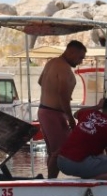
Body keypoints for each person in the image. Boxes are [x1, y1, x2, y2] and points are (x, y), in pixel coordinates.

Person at [37, 40, 88, 179]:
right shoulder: (64, 68)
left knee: (53, 151)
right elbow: (62, 94)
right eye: (80, 57)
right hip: (53, 113)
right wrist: (70, 118)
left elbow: (41, 81)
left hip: (44, 111)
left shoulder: (52, 62)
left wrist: (51, 93)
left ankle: (51, 180)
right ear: (71, 53)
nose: (81, 61)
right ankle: (51, 182)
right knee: (60, 151)